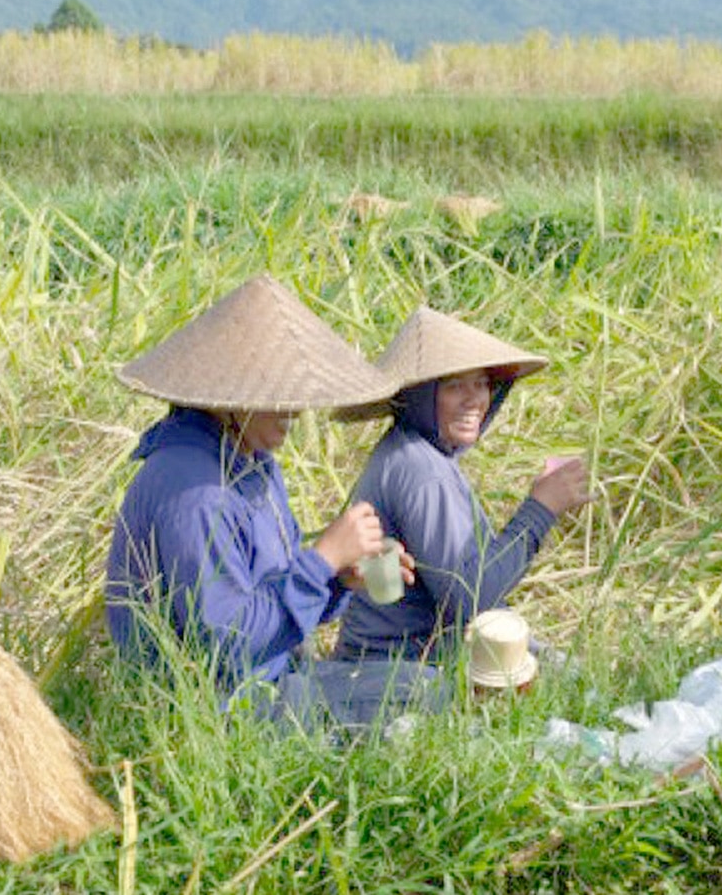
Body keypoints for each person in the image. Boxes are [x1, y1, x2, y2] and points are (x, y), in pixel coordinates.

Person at [104, 274, 409, 726]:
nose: (296, 410)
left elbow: (273, 608)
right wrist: (322, 559)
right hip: (223, 713)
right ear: (233, 397)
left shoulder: (253, 464)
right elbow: (226, 644)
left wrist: (340, 580)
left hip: (271, 679)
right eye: (278, 395)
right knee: (417, 696)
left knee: (418, 684)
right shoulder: (197, 493)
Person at [326, 307, 593, 724]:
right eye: (454, 387)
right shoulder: (419, 470)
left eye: (482, 384)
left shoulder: (421, 453)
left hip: (427, 657)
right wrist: (541, 508)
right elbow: (471, 596)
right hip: (396, 673)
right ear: (419, 397)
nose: (475, 400)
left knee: (571, 677)